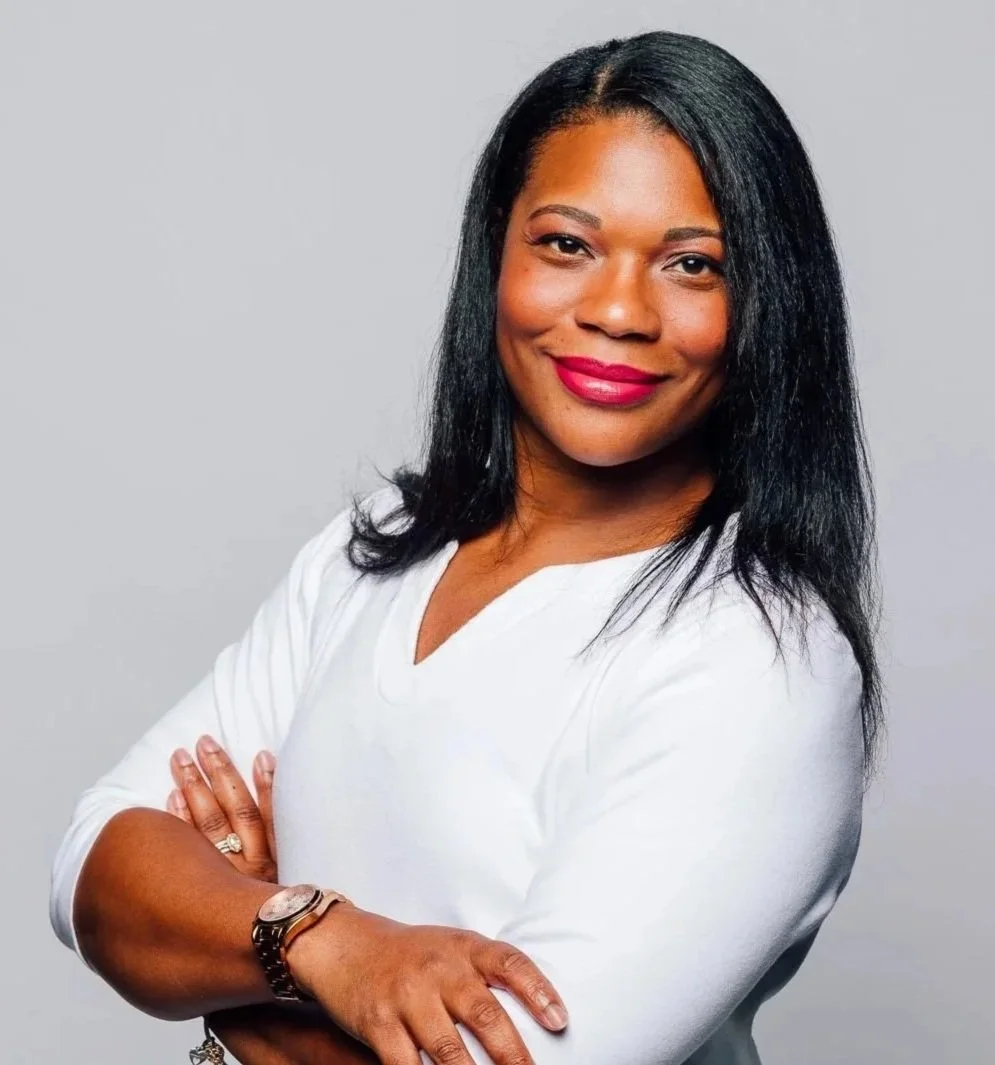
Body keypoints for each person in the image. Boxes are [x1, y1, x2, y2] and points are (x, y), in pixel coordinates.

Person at [50, 28, 883, 1065]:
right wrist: (324, 939)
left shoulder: (760, 657)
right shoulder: (374, 555)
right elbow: (95, 867)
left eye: (689, 264)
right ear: (496, 255)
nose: (618, 311)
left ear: (764, 303)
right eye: (566, 244)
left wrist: (243, 953)